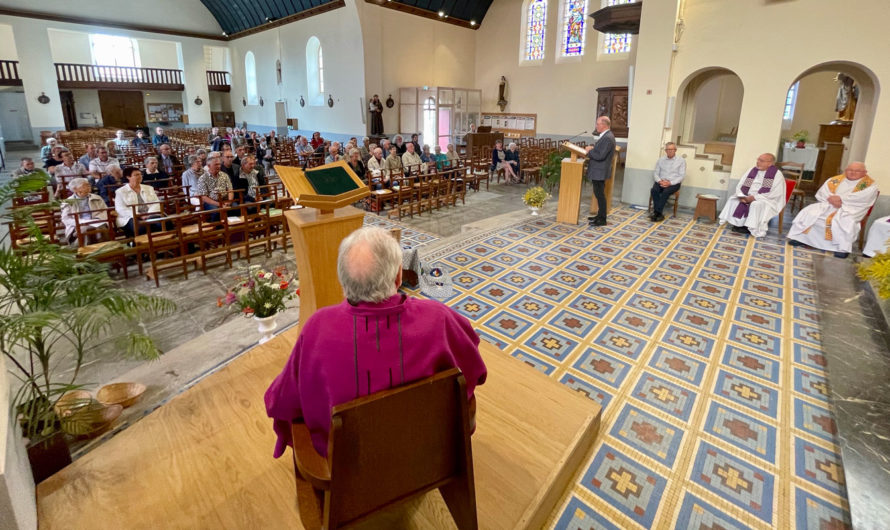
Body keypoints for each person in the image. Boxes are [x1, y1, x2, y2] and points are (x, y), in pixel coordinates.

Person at [264, 226, 487, 458]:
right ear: (399, 276)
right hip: (427, 450)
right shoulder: (438, 318)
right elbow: (475, 371)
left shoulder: (317, 329)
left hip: (349, 463)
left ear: (343, 280)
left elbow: (282, 400)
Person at [788, 162, 878, 258]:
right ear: (846, 170)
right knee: (809, 212)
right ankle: (801, 238)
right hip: (828, 204)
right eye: (850, 170)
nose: (852, 173)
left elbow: (861, 199)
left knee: (843, 220)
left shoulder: (870, 186)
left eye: (857, 171)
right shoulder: (835, 180)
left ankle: (841, 248)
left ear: (865, 172)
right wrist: (832, 199)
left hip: (851, 209)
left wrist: (841, 200)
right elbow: (823, 192)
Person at [718, 153, 786, 237]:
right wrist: (741, 195)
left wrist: (754, 198)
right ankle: (738, 224)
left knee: (755, 204)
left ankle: (750, 227)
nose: (758, 162)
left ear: (770, 163)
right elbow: (741, 184)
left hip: (766, 199)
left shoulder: (776, 175)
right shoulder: (752, 170)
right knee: (733, 199)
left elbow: (775, 193)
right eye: (758, 159)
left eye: (761, 161)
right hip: (747, 195)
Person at [585, 116, 616, 227]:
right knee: (599, 195)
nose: (596, 126)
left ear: (604, 125)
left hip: (600, 170)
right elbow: (601, 150)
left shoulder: (608, 137)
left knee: (600, 195)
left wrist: (589, 151)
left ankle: (602, 219)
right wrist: (594, 148)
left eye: (598, 124)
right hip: (599, 170)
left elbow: (600, 156)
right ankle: (599, 216)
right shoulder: (606, 136)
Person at [114, 167, 161, 238]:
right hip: (130, 217)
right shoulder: (120, 191)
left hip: (150, 214)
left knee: (164, 223)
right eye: (136, 175)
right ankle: (144, 246)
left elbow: (156, 202)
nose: (140, 176)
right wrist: (139, 215)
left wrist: (149, 214)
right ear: (128, 177)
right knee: (141, 227)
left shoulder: (149, 188)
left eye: (140, 174)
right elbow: (121, 209)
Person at [60, 177, 107, 244]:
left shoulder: (97, 198)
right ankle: (87, 250)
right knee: (85, 229)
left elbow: (104, 211)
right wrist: (81, 222)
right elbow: (66, 219)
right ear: (75, 189)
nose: (89, 186)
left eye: (88, 185)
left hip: (96, 221)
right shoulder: (68, 202)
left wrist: (97, 219)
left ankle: (105, 248)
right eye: (85, 186)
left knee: (100, 227)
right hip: (78, 224)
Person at [649, 142, 686, 222]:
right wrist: (660, 181)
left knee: (665, 192)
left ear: (675, 150)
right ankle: (658, 214)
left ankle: (657, 212)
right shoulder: (661, 160)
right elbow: (656, 173)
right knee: (654, 190)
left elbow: (681, 176)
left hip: (673, 183)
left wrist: (670, 183)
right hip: (661, 181)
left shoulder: (681, 161)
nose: (669, 151)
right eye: (668, 149)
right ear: (665, 150)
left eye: (671, 149)